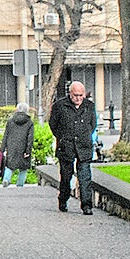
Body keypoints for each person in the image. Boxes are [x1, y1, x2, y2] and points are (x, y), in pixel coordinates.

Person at [50, 80, 99, 214]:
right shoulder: (60, 106)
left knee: (85, 177)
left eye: (81, 95)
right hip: (66, 147)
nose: (78, 98)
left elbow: (92, 124)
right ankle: (63, 199)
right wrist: (63, 137)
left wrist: (85, 135)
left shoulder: (89, 106)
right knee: (66, 176)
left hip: (83, 146)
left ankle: (86, 205)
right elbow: (53, 124)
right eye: (75, 95)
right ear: (70, 94)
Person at [0, 102, 34, 187]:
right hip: (23, 148)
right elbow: (30, 138)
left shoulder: (11, 121)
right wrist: (28, 151)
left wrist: (2, 149)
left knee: (10, 166)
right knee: (23, 168)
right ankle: (20, 184)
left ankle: (6, 179)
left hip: (11, 147)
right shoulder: (29, 122)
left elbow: (6, 135)